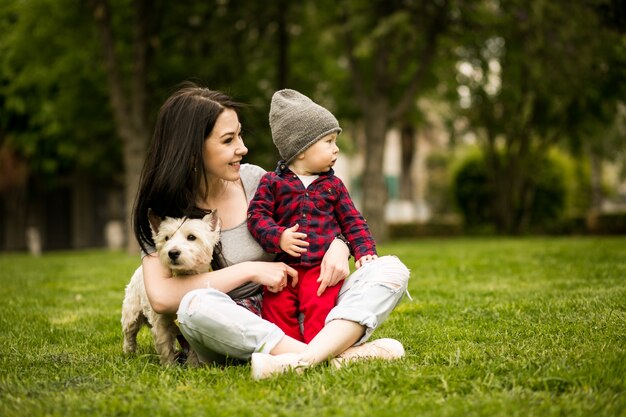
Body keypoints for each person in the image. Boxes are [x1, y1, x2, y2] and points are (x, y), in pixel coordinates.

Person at [133, 82, 411, 379]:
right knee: (194, 306)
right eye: (228, 140)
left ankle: (295, 361)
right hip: (231, 325)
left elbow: (320, 218)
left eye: (239, 135)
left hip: (296, 307)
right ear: (191, 151)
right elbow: (161, 297)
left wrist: (340, 246)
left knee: (390, 270)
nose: (243, 147)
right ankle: (330, 354)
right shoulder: (165, 209)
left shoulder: (258, 181)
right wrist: (251, 270)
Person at [247, 89, 378, 344]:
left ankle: (318, 350)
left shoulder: (334, 186)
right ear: (302, 148)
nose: (336, 149)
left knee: (320, 306)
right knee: (276, 309)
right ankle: (291, 352)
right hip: (283, 268)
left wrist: (364, 250)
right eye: (328, 141)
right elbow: (257, 216)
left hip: (320, 269)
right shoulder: (272, 183)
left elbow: (352, 221)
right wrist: (278, 236)